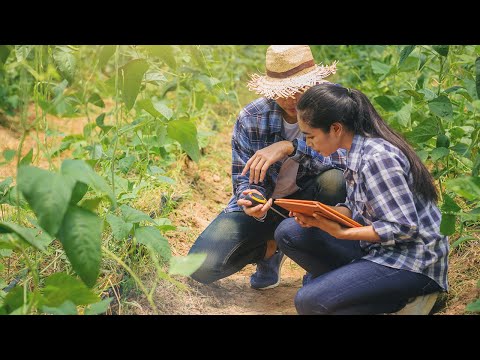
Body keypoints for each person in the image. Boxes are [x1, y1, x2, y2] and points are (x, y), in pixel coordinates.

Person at [274, 83, 449, 314]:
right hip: (379, 249)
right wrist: (319, 215)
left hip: (413, 262)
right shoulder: (352, 150)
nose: (308, 144)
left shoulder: (378, 158)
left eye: (310, 136)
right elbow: (357, 208)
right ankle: (351, 289)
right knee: (289, 232)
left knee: (309, 302)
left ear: (335, 128)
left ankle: (406, 301)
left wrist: (341, 233)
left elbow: (403, 228)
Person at [188, 45, 347, 290]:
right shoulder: (252, 117)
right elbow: (242, 180)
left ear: (313, 83)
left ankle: (318, 266)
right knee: (200, 266)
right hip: (268, 205)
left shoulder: (332, 109)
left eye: (298, 89)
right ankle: (270, 250)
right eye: (282, 91)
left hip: (309, 202)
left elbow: (345, 164)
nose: (291, 98)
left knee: (335, 181)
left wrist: (289, 147)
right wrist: (252, 200)